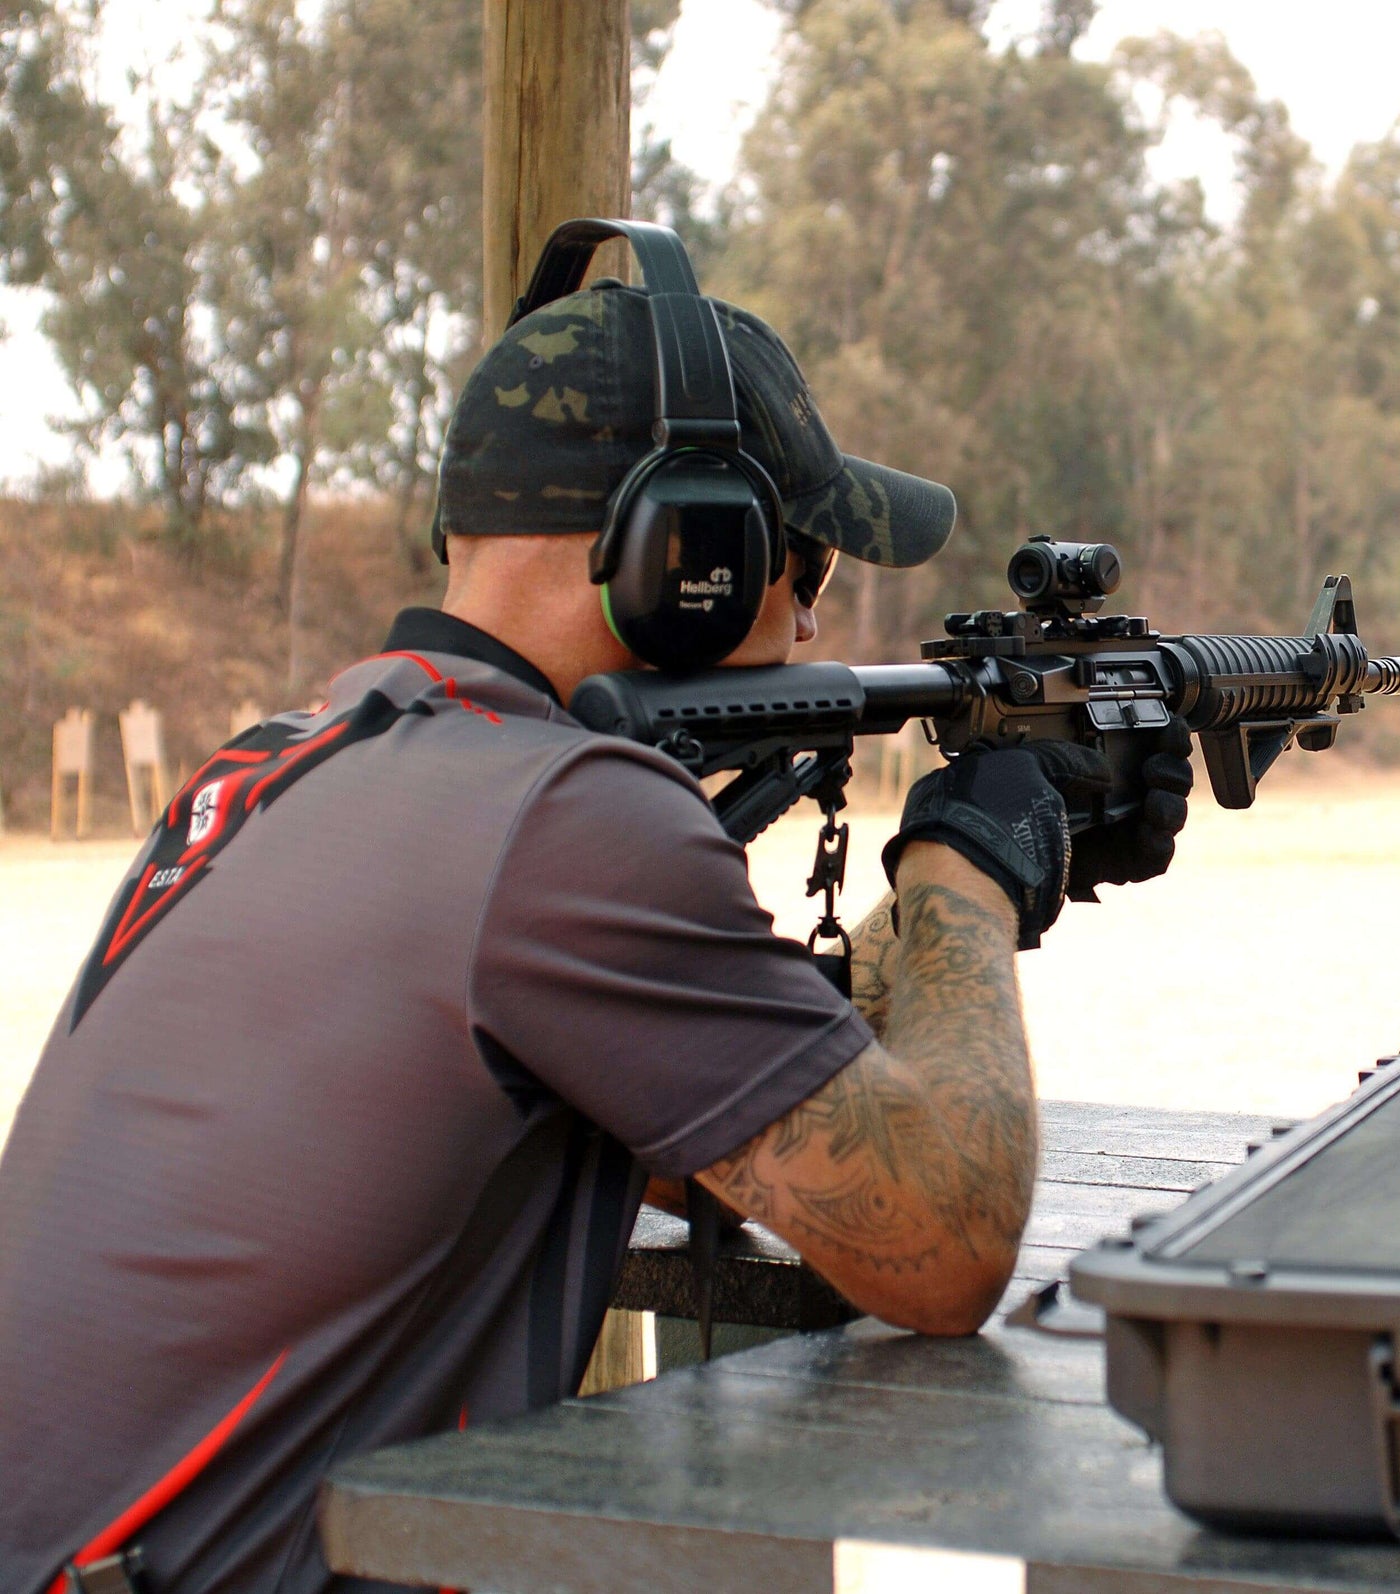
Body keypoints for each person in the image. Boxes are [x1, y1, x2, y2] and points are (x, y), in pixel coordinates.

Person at [0, 253, 1193, 1594]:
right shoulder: (565, 815)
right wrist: (967, 876)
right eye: (798, 563)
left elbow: (735, 1113)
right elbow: (938, 1242)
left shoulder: (292, 760)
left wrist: (1000, 860)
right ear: (684, 547)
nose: (809, 615)